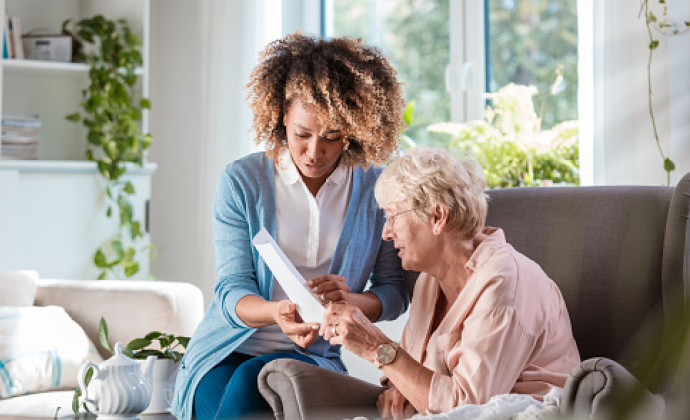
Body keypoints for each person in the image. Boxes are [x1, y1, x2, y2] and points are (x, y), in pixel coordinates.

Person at [171, 32, 410, 420]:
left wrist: (348, 302)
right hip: (225, 351)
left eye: (332, 137)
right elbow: (232, 288)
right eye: (302, 134)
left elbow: (394, 293)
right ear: (282, 116)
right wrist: (275, 312)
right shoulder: (242, 181)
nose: (314, 152)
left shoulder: (375, 191)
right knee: (240, 388)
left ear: (353, 129)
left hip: (311, 356)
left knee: (256, 380)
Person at [321, 147, 581, 419]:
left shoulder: (504, 282)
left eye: (393, 217)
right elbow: (409, 373)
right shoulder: (428, 282)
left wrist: (376, 347)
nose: (386, 233)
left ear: (437, 217)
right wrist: (398, 389)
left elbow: (469, 409)